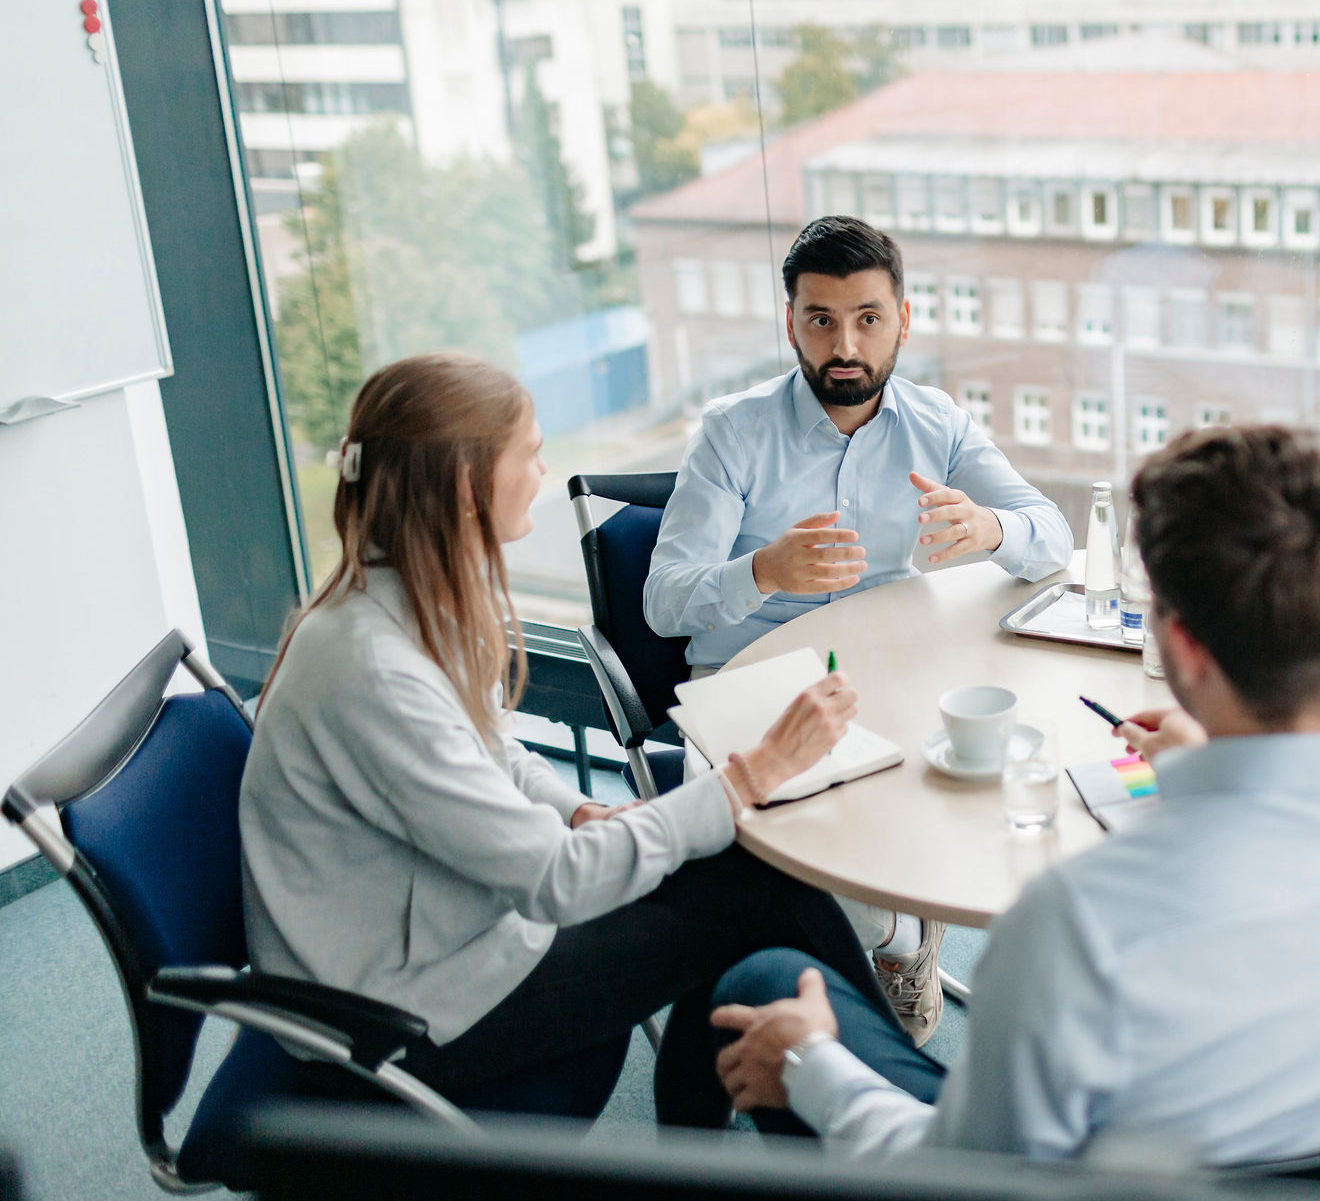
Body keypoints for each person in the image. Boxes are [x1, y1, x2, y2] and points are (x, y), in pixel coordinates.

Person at [704, 426, 1320, 1163]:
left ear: (1180, 648)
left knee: (767, 984)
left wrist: (813, 1066)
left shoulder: (1078, 930)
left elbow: (963, 1185)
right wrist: (1200, 760)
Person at [240, 352, 893, 1127]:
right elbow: (557, 883)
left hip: (449, 935)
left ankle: (801, 1129)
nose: (546, 468)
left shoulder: (401, 594)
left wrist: (581, 810)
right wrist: (749, 776)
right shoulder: (374, 668)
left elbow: (493, 752)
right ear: (466, 485)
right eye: (531, 452)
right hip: (407, 1014)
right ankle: (879, 1120)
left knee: (752, 884)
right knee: (752, 899)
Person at [643, 215, 1073, 1043]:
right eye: (821, 319)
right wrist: (764, 571)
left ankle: (878, 936)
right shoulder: (733, 433)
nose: (845, 344)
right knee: (810, 861)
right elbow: (665, 601)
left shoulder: (935, 420)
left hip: (888, 673)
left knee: (982, 788)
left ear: (903, 320)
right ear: (793, 322)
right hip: (745, 687)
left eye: (868, 318)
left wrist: (989, 527)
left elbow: (1049, 533)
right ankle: (901, 938)